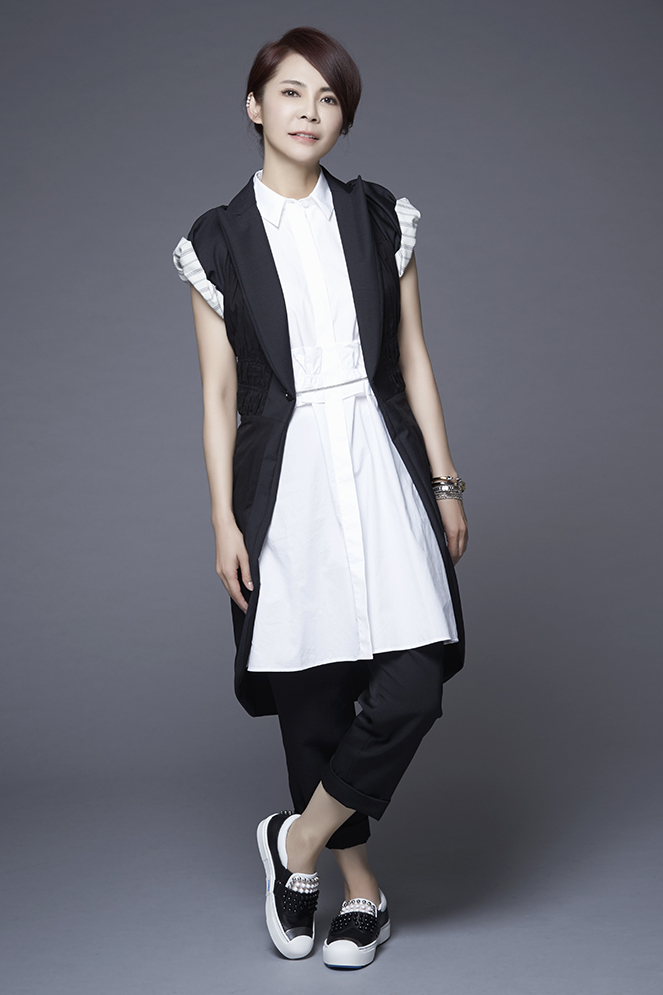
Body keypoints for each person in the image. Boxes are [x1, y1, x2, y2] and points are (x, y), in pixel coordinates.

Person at [173, 26, 468, 970]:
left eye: (328, 98)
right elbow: (218, 393)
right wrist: (221, 518)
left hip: (379, 461)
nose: (309, 112)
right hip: (282, 481)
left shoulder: (380, 218)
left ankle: (292, 843)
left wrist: (444, 480)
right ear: (254, 106)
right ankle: (358, 888)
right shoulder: (216, 240)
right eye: (291, 93)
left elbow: (412, 358)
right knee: (313, 695)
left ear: (342, 120)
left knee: (411, 681)